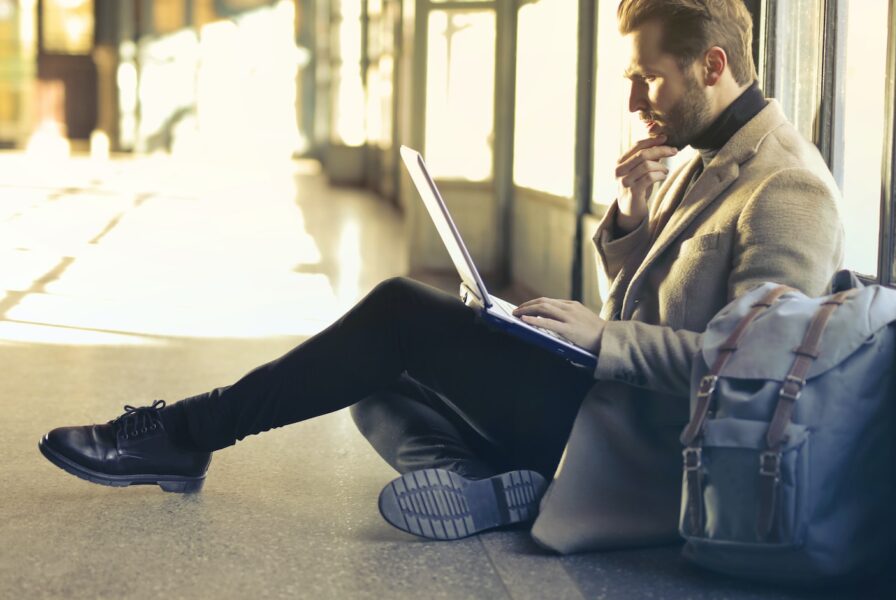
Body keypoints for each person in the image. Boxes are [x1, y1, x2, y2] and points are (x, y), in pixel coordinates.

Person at [38, 0, 843, 548]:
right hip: (602, 405)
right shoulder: (702, 159)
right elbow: (654, 308)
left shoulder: (787, 188)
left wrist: (602, 338)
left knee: (396, 314)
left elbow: (752, 378)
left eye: (649, 77)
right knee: (374, 386)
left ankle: (185, 434)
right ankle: (499, 487)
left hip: (646, 451)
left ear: (712, 64)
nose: (635, 99)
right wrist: (631, 222)